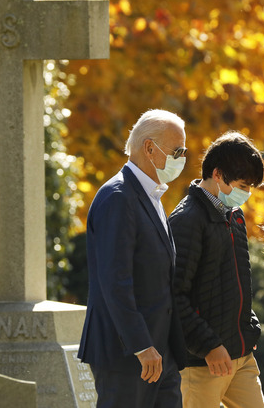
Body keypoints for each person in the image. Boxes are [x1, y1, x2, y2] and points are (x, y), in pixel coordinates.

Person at [78, 109, 188, 408]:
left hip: (160, 351)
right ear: (149, 148)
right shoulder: (118, 196)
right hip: (128, 352)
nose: (182, 158)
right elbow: (115, 281)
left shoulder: (151, 196)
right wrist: (141, 345)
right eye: (177, 150)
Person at [168, 132, 264, 408]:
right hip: (201, 364)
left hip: (241, 356)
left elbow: (238, 281)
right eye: (242, 185)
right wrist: (209, 346)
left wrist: (249, 329)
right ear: (218, 174)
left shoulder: (234, 213)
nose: (247, 193)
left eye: (251, 187)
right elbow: (175, 297)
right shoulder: (187, 220)